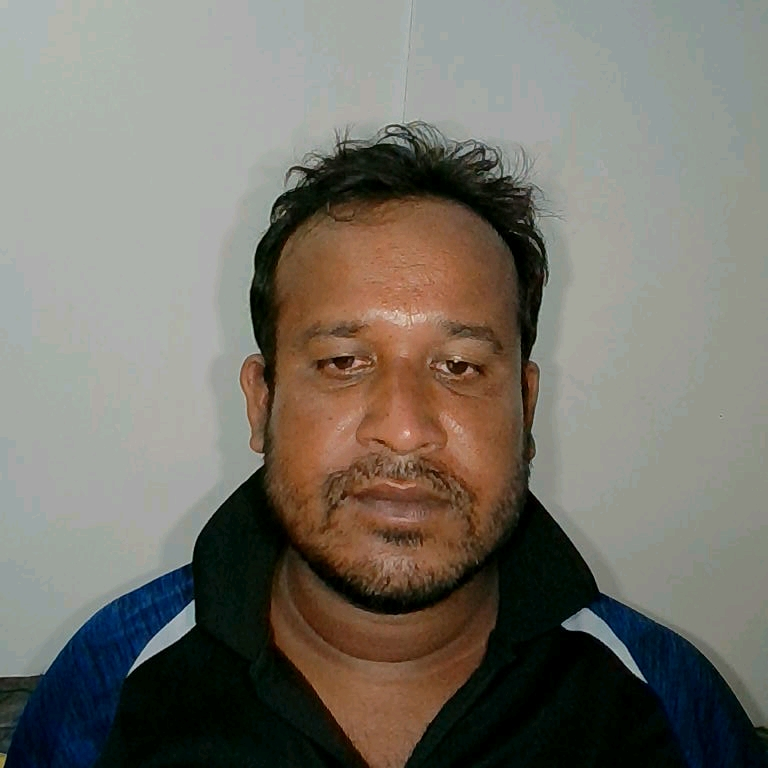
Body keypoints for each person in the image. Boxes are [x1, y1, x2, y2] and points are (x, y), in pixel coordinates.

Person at [11, 124, 765, 767]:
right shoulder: (108, 684)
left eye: (459, 367)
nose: (404, 428)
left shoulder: (668, 705)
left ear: (526, 407)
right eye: (344, 362)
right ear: (261, 401)